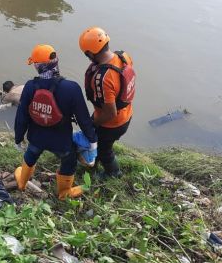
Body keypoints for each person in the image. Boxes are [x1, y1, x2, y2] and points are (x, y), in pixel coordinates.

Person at [13, 44, 98, 200]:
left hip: (36, 139)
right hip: (62, 142)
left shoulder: (30, 87)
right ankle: (64, 193)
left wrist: (18, 138)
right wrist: (92, 141)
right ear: (56, 61)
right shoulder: (71, 88)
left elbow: (22, 116)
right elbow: (83, 119)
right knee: (69, 161)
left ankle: (22, 183)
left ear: (37, 66)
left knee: (31, 155)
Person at [79, 27, 136, 178]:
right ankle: (92, 162)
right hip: (126, 113)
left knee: (105, 149)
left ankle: (113, 173)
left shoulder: (104, 78)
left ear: (90, 53)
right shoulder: (123, 57)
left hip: (112, 122)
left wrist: (92, 122)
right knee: (99, 141)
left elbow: (110, 113)